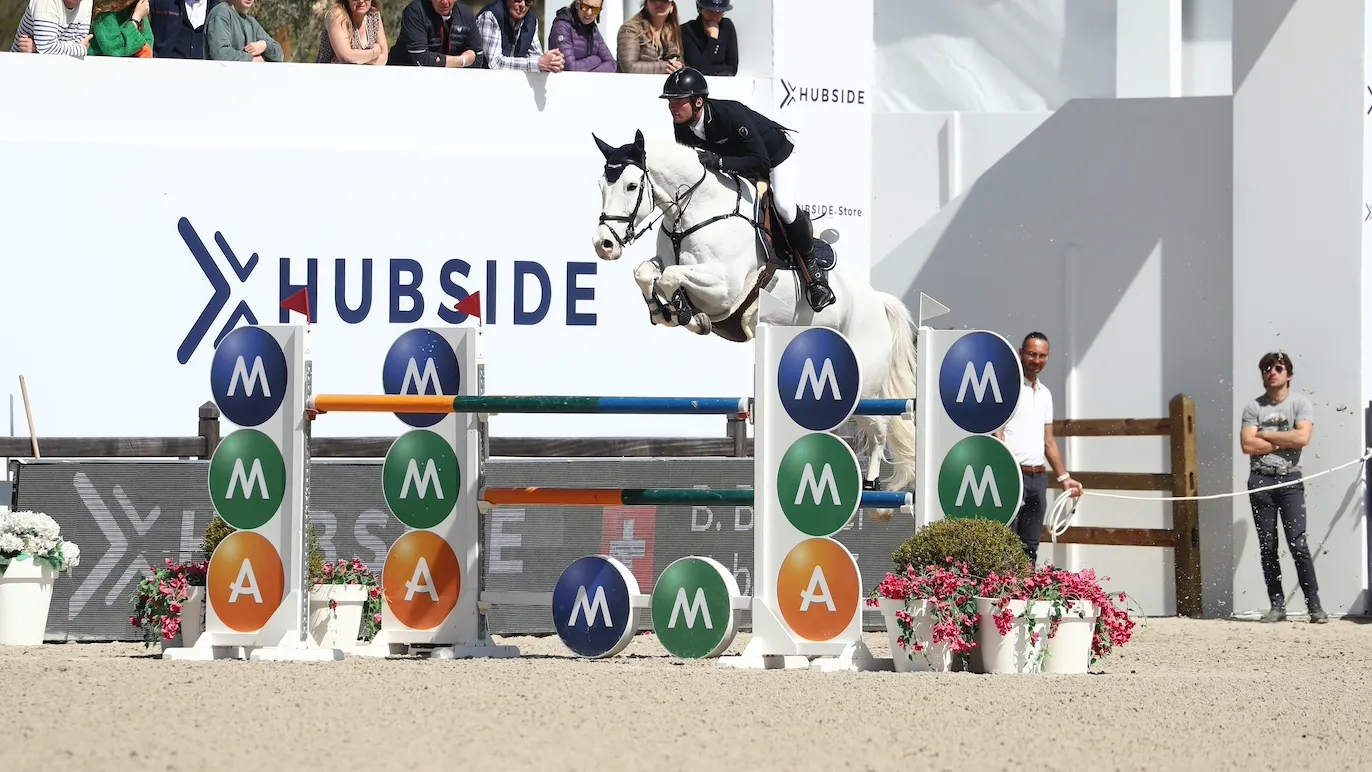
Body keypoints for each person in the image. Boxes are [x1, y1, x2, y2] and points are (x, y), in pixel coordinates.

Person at [661, 66, 834, 312]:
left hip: (775, 157)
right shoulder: (681, 127)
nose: (672, 107)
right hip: (739, 165)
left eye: (678, 102)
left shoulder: (730, 115)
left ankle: (814, 275)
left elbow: (761, 161)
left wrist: (720, 162)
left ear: (698, 102)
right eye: (670, 102)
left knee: (783, 205)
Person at [1239, 350, 1326, 624]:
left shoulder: (1300, 404)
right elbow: (1247, 445)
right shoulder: (1253, 407)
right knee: (1268, 545)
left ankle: (1314, 606)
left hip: (1290, 480)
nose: (1271, 372)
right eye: (1266, 368)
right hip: (1260, 480)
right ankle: (1277, 605)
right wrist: (1283, 440)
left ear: (1289, 375)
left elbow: (1303, 437)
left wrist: (1266, 435)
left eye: (1277, 367)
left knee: (1298, 543)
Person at [996, 332, 1083, 563]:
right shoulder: (1008, 389)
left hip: (1039, 477)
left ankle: (1024, 596)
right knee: (1007, 542)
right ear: (1020, 353)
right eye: (1032, 354)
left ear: (1048, 357)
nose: (1036, 360)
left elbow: (1049, 441)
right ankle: (1005, 596)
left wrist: (1065, 478)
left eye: (1042, 355)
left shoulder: (1045, 394)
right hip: (1013, 474)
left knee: (1031, 545)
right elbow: (997, 431)